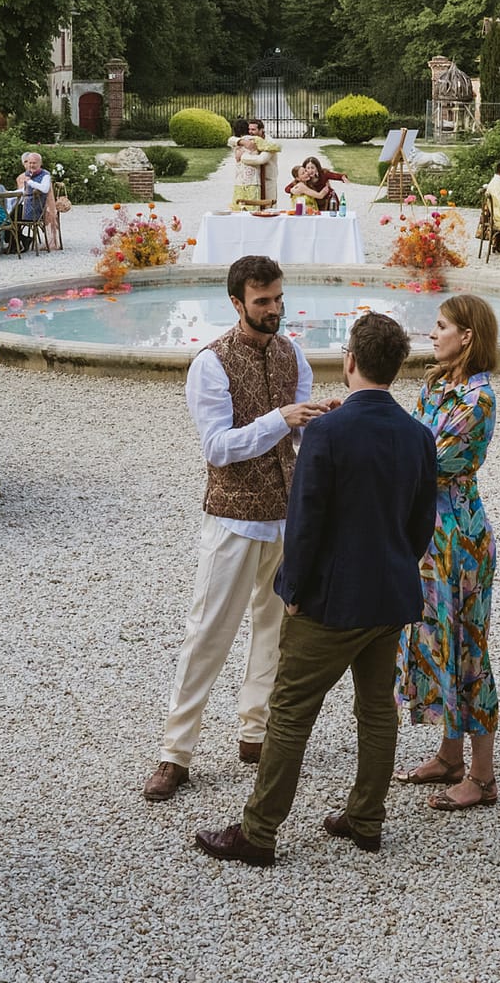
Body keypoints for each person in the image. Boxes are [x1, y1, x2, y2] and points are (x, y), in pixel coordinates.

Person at [192, 313, 437, 865]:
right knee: (377, 710)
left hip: (331, 600)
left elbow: (305, 523)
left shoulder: (326, 433)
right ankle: (366, 818)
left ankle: (258, 832)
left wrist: (293, 589)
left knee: (291, 710)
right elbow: (423, 522)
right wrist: (399, 564)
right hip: (389, 596)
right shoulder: (419, 437)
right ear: (396, 368)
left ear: (350, 360)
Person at [144, 256, 326, 802]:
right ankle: (175, 753)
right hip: (233, 517)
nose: (273, 309)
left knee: (275, 630)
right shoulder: (211, 363)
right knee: (208, 633)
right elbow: (217, 447)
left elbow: (300, 442)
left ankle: (254, 731)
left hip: (288, 517)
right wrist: (282, 420)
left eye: (277, 298)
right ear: (237, 303)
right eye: (262, 301)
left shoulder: (294, 354)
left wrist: (324, 424)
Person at [396, 294, 500, 810]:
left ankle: (482, 779)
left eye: (441, 326)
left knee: (468, 650)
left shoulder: (477, 400)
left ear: (467, 336)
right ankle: (450, 755)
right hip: (427, 533)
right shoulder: (436, 384)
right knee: (435, 641)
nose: (432, 334)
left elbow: (424, 461)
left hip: (458, 540)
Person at [17, 152, 61, 250]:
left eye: (34, 163)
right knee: (8, 215)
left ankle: (17, 242)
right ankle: (21, 241)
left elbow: (45, 189)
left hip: (37, 209)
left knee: (10, 217)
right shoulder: (27, 175)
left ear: (40, 163)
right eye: (30, 163)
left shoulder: (45, 175)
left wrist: (30, 182)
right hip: (27, 206)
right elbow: (23, 191)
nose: (31, 165)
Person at [229, 134, 271, 210]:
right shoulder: (240, 142)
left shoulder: (256, 141)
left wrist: (242, 156)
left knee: (247, 208)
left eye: (253, 129)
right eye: (250, 129)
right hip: (242, 182)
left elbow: (260, 160)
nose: (251, 132)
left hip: (250, 182)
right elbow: (230, 140)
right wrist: (242, 142)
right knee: (244, 208)